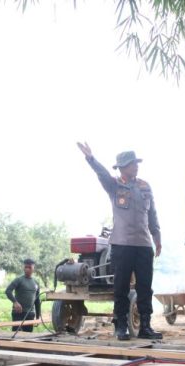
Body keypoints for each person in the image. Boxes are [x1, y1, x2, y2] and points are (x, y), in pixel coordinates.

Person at [78, 142, 162, 341]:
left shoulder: (145, 186)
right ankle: (121, 326)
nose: (136, 166)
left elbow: (152, 215)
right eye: (132, 163)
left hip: (144, 244)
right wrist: (91, 158)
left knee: (145, 287)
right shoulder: (114, 185)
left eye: (136, 163)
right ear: (122, 167)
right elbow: (102, 174)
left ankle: (146, 326)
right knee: (121, 287)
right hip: (122, 245)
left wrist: (157, 237)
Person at [5, 259, 42, 332]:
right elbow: (8, 291)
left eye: (29, 267)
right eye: (26, 267)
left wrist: (38, 317)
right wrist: (15, 302)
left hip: (30, 314)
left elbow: (37, 300)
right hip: (18, 313)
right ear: (23, 268)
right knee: (16, 334)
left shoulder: (36, 283)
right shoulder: (19, 280)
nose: (27, 269)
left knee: (28, 336)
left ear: (33, 268)